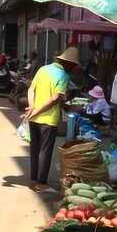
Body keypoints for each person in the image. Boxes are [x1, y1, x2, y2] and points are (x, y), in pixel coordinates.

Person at [25, 47, 79, 192]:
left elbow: (31, 89)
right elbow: (55, 98)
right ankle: (41, 184)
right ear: (69, 64)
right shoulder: (63, 76)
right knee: (45, 151)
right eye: (74, 66)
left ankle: (34, 179)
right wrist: (37, 109)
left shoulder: (43, 69)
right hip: (48, 120)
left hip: (34, 118)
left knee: (35, 149)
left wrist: (32, 107)